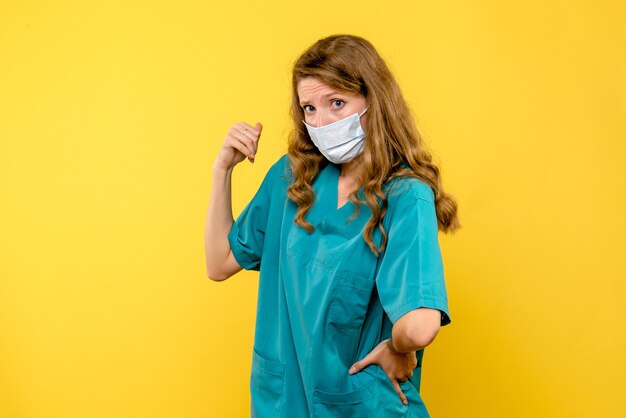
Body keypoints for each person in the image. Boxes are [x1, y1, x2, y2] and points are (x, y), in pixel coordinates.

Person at [205, 34, 460, 417]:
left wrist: (398, 347)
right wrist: (221, 171)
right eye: (309, 108)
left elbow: (420, 325)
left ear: (374, 101)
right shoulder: (291, 178)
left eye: (336, 103)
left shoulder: (405, 195)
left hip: (360, 406)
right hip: (284, 401)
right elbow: (220, 261)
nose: (320, 122)